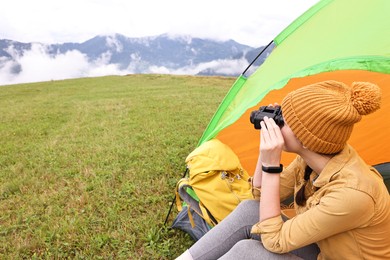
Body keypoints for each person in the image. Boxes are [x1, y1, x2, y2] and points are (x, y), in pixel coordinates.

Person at [176, 80, 390, 259]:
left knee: (248, 253)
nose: (276, 122)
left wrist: (271, 165)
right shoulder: (313, 158)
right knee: (250, 210)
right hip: (325, 251)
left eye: (284, 119)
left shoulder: (353, 193)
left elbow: (274, 240)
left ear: (306, 139)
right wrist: (264, 152)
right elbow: (259, 196)